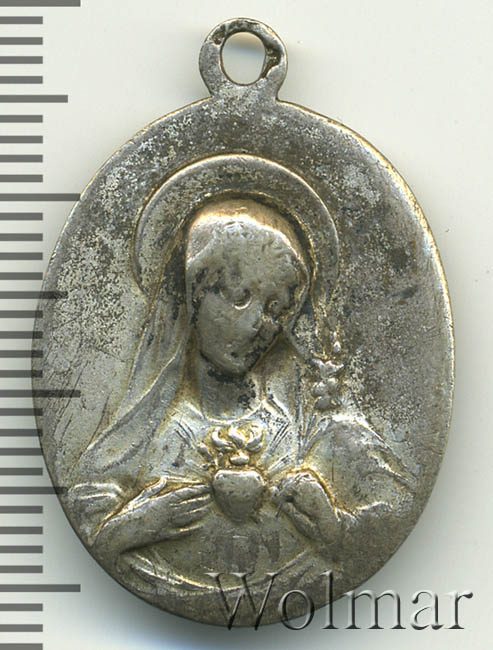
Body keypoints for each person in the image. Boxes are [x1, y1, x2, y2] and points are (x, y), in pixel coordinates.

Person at [68, 198, 412, 596]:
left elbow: (390, 522)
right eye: (238, 297)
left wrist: (334, 528)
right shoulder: (139, 435)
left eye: (275, 309)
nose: (256, 325)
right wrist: (139, 525)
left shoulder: (314, 433)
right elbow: (91, 529)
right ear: (194, 296)